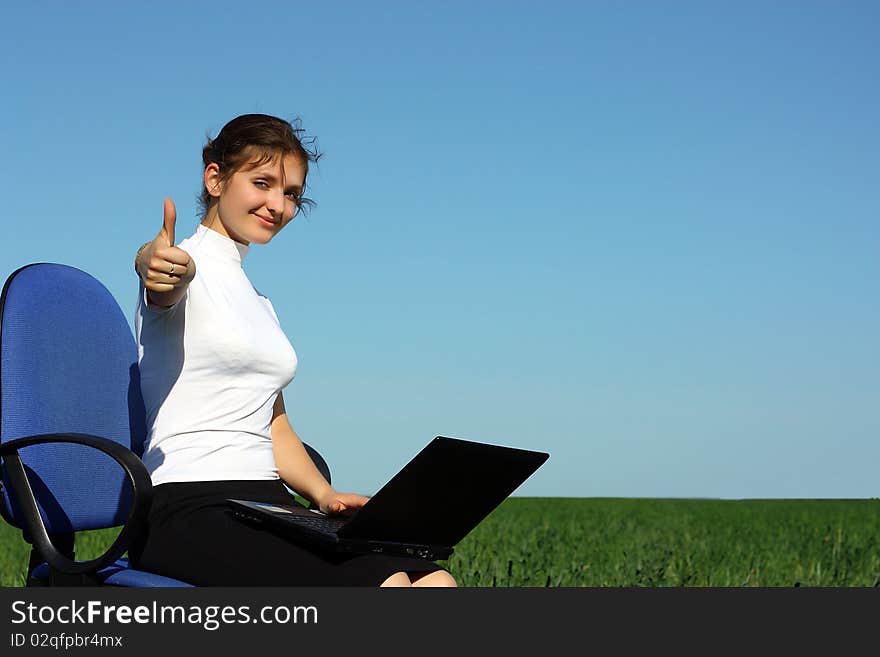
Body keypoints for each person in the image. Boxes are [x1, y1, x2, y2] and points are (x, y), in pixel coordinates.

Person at [129, 113, 456, 587]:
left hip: (267, 503)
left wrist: (323, 495)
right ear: (216, 179)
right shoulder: (185, 266)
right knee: (386, 590)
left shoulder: (260, 303)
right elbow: (159, 276)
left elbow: (272, 420)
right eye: (262, 183)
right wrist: (152, 264)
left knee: (433, 582)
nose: (278, 205)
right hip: (189, 506)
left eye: (291, 194)